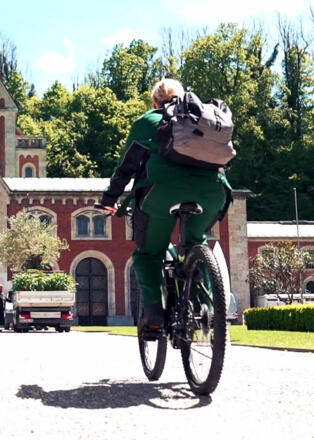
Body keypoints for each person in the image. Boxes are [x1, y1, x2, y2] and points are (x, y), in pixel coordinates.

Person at [99, 78, 232, 336]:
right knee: (196, 244)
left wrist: (109, 199)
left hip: (162, 192)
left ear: (155, 102)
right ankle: (206, 307)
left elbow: (126, 167)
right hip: (214, 191)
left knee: (148, 254)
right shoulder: (204, 118)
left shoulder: (147, 121)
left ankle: (154, 317)